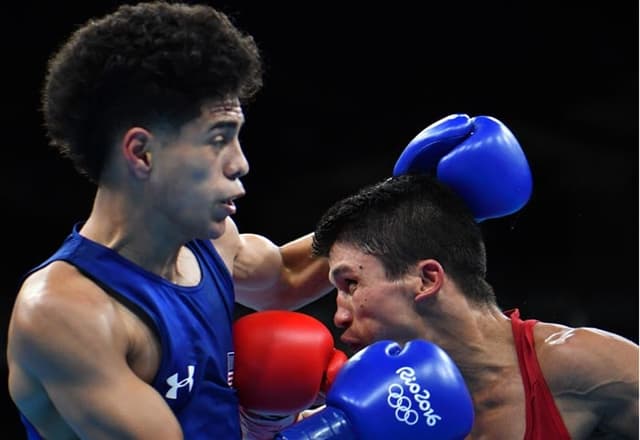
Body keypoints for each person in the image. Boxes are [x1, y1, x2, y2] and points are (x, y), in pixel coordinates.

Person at [6, 2, 335, 439]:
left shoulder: (213, 245)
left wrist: (415, 193)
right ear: (142, 153)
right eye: (219, 139)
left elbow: (294, 275)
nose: (241, 163)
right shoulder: (66, 313)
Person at [309, 171, 639, 439]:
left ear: (426, 279)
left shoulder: (581, 365)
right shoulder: (363, 411)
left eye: (350, 284)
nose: (338, 316)